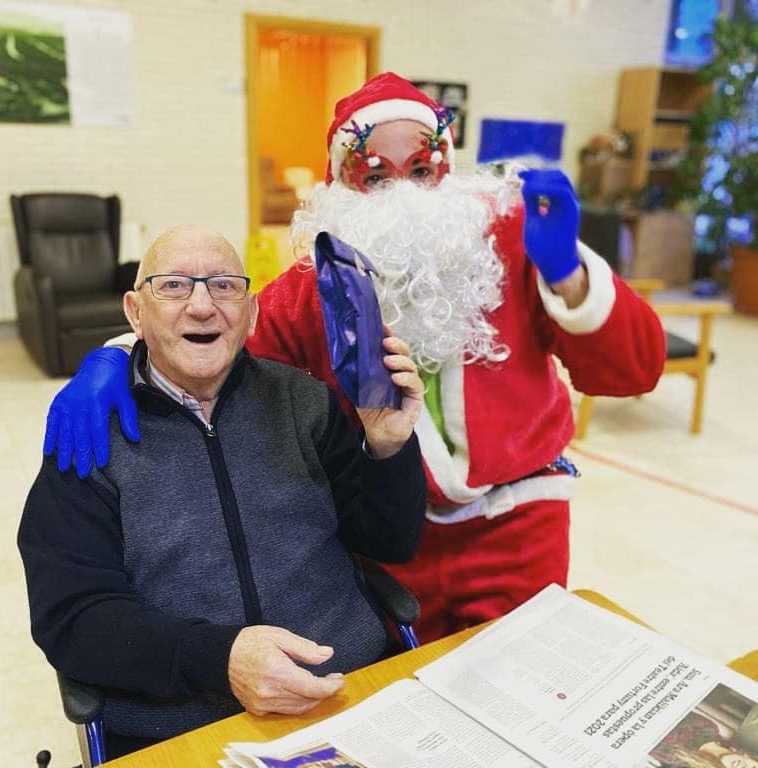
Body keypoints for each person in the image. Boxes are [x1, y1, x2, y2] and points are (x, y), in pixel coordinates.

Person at [41, 72, 666, 644]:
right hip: (397, 539)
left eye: (421, 169)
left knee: (528, 679)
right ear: (341, 185)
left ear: (448, 167)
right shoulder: (312, 288)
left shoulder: (510, 246)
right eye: (375, 175)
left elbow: (634, 371)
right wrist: (118, 357)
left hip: (521, 522)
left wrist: (569, 276)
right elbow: (219, 344)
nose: (404, 194)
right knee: (405, 690)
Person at [18, 225, 427, 759]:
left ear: (252, 314)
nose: (202, 306)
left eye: (224, 286)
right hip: (179, 725)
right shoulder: (90, 434)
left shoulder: (305, 403)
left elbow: (390, 543)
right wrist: (221, 658)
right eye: (173, 286)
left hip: (344, 690)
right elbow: (72, 617)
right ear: (135, 313)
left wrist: (388, 447)